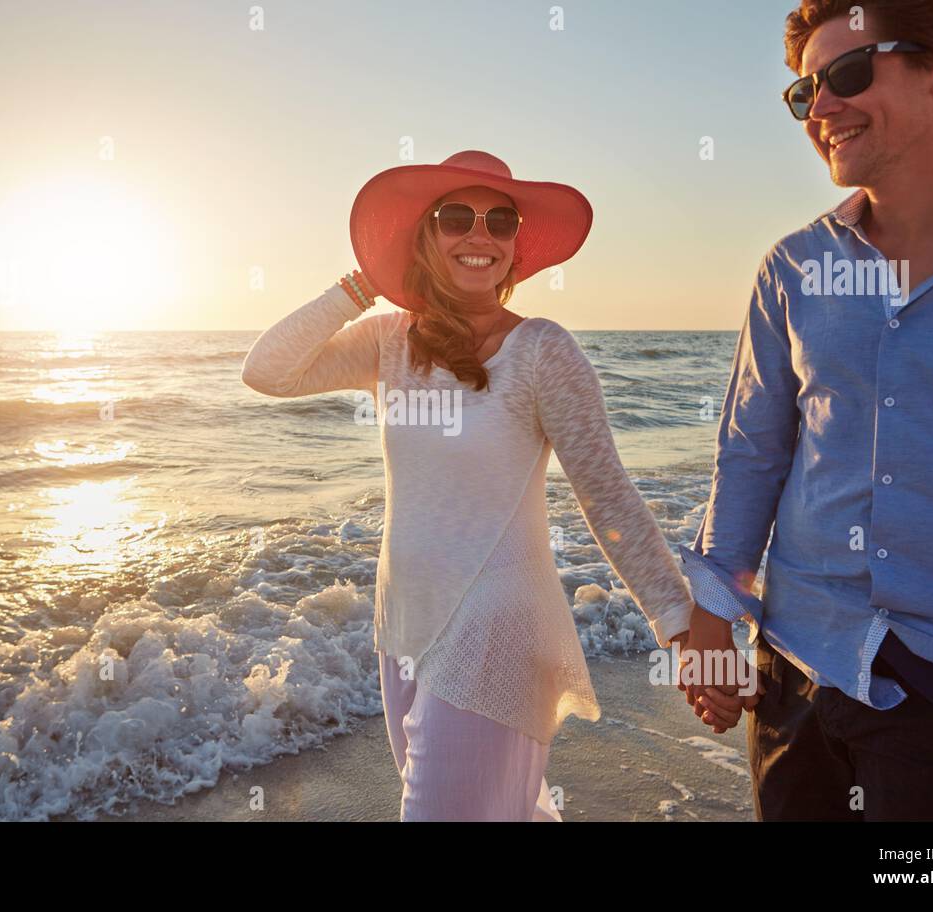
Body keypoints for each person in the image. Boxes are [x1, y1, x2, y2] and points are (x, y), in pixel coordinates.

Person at [679, 0, 933, 820]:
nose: (819, 109)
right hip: (798, 674)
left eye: (848, 74)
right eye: (803, 92)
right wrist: (711, 623)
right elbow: (752, 452)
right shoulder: (794, 267)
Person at [241, 150, 697, 821]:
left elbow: (606, 495)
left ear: (515, 246)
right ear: (426, 235)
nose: (479, 234)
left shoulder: (543, 350)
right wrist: (362, 283)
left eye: (499, 220)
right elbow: (268, 371)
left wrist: (678, 622)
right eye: (456, 217)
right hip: (401, 626)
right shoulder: (388, 341)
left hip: (496, 630)